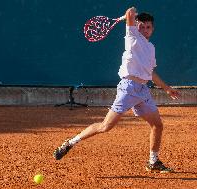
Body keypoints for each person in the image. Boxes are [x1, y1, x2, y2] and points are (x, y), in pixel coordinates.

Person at [53, 7, 180, 173]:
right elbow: (130, 13)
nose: (145, 29)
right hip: (128, 89)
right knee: (106, 126)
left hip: (143, 90)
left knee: (157, 125)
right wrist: (131, 13)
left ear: (153, 29)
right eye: (142, 26)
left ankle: (153, 162)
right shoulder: (132, 37)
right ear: (136, 26)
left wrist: (167, 89)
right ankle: (70, 142)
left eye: (148, 27)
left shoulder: (151, 48)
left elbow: (151, 73)